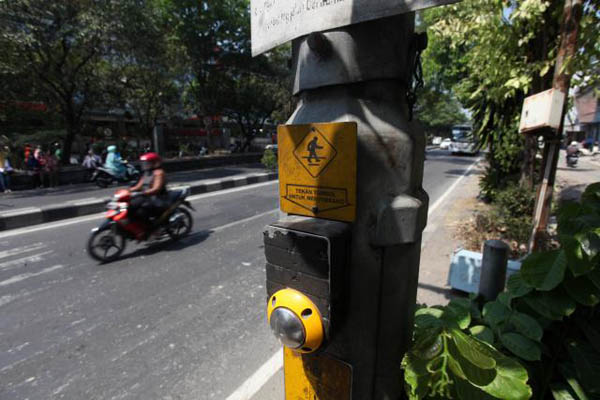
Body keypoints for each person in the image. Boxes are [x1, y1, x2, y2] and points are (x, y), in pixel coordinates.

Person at [128, 153, 168, 234]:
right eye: (144, 163)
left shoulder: (159, 173)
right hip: (146, 196)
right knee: (130, 205)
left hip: (158, 198)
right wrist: (127, 191)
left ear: (154, 163)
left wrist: (142, 193)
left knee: (142, 211)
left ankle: (152, 229)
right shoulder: (146, 173)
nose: (144, 165)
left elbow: (156, 188)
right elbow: (138, 186)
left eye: (146, 163)